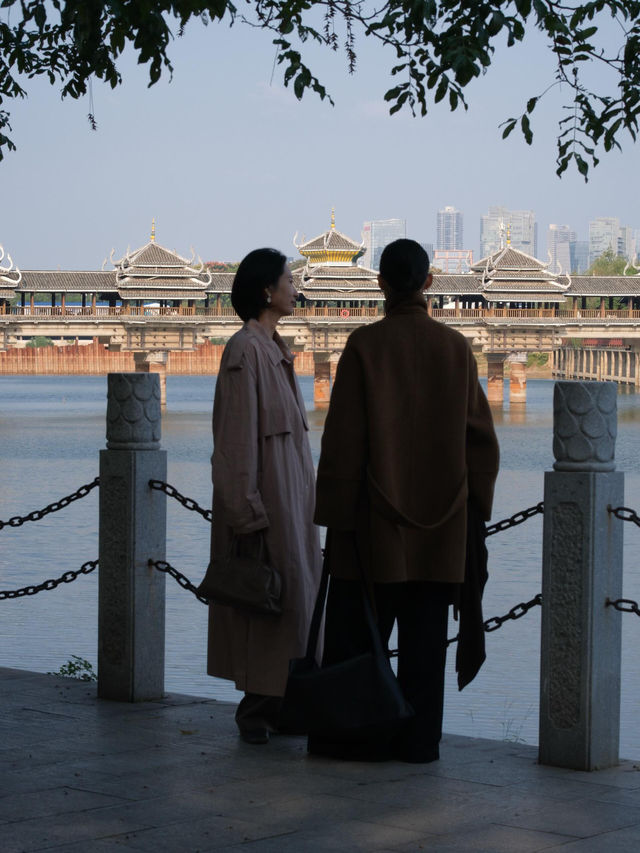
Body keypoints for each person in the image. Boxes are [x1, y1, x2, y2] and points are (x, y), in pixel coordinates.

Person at [312, 238, 499, 763]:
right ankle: (419, 743)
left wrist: (334, 521)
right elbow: (481, 444)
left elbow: (342, 443)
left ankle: (357, 739)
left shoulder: (364, 346)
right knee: (425, 647)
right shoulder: (455, 349)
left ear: (380, 285)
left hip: (372, 533)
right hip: (441, 532)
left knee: (359, 641)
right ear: (429, 283)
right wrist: (474, 514)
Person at [205, 248, 322, 745]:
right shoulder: (244, 352)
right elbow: (234, 444)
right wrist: (247, 514)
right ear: (266, 292)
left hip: (293, 508)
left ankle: (285, 705)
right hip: (267, 511)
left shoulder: (275, 349)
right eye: (289, 281)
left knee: (295, 607)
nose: (296, 289)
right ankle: (257, 711)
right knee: (269, 608)